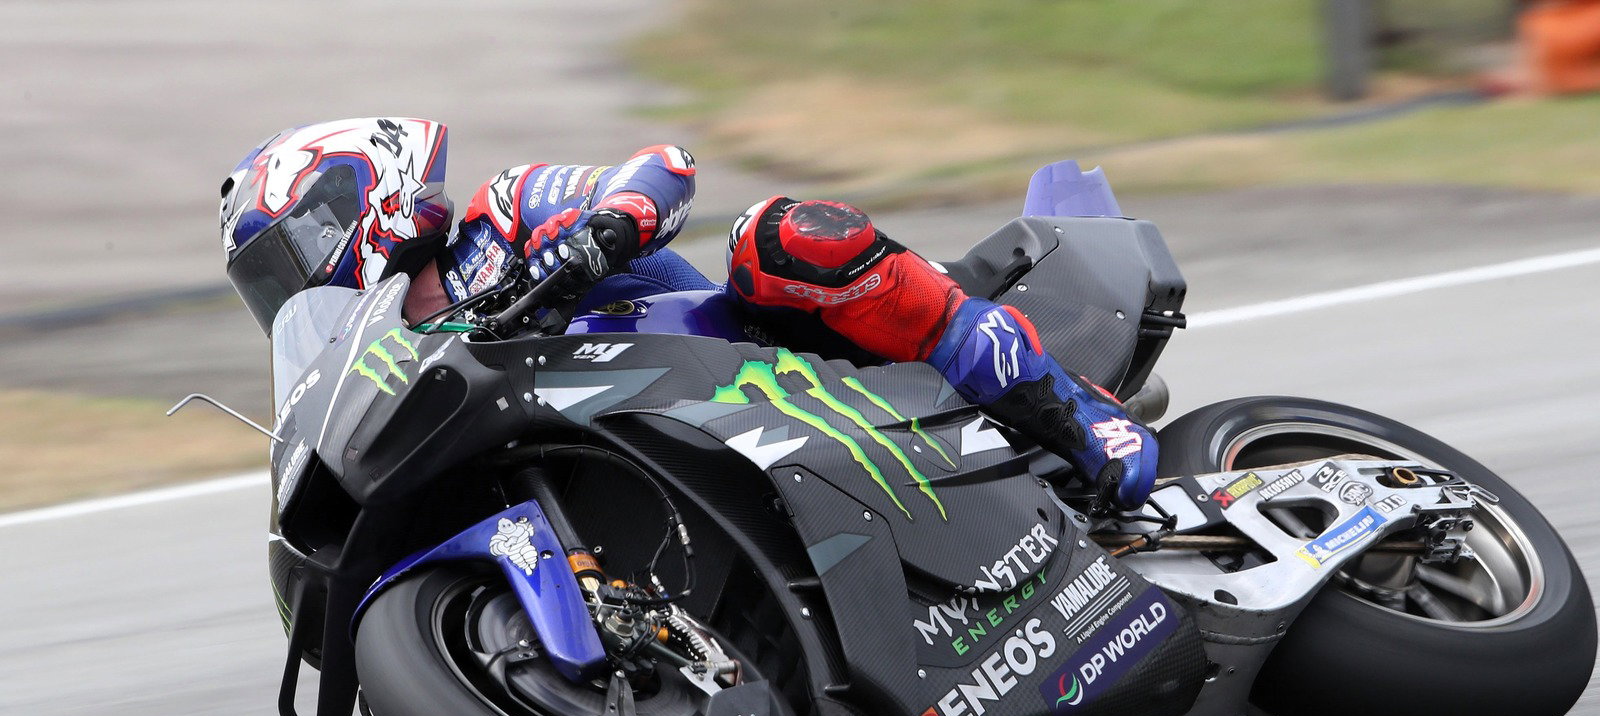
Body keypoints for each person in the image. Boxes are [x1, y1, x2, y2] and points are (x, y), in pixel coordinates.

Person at [219, 117, 1157, 511]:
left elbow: (663, 166)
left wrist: (601, 231)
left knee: (776, 237)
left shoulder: (500, 219)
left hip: (758, 364)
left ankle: (1076, 411)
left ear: (365, 192)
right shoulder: (391, 365)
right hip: (656, 460)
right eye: (272, 280)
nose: (294, 287)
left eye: (293, 252)